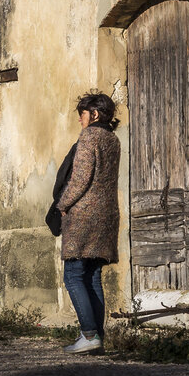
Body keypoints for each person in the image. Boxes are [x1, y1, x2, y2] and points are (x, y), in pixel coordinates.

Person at [55, 91, 121, 354]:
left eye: (82, 114)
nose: (80, 120)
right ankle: (96, 339)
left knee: (73, 276)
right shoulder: (112, 140)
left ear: (94, 114)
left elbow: (80, 179)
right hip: (106, 215)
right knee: (93, 276)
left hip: (84, 216)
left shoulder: (90, 136)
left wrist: (62, 205)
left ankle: (89, 334)